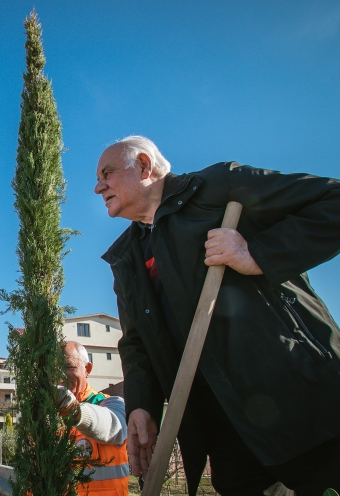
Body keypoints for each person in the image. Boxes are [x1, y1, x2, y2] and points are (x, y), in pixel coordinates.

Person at [94, 135, 340, 494]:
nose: (99, 186)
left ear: (144, 166)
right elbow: (136, 342)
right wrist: (142, 406)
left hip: (301, 404)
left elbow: (333, 200)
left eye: (108, 173)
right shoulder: (127, 258)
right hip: (222, 432)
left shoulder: (216, 189)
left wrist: (257, 253)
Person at [56, 341, 129, 495]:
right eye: (55, 368)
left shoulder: (111, 404)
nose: (61, 374)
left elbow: (112, 426)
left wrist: (74, 411)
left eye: (68, 366)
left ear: (87, 369)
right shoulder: (48, 414)